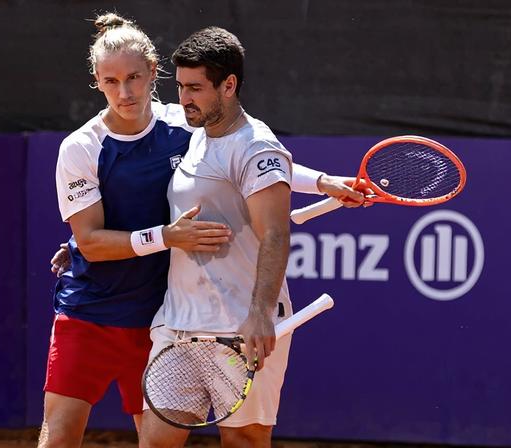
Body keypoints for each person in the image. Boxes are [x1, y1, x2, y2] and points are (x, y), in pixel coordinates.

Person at [39, 14, 366, 448]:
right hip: (143, 318)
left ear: (153, 73)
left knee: (242, 439)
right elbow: (94, 238)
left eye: (135, 77)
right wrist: (152, 238)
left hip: (194, 316)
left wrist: (322, 182)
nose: (125, 92)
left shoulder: (193, 127)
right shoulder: (101, 144)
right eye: (111, 81)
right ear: (97, 81)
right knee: (117, 440)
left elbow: (263, 165)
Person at [138, 27, 309, 448]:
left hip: (239, 327)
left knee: (246, 441)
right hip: (179, 325)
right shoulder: (196, 135)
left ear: (228, 85)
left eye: (195, 88)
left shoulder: (255, 147)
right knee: (155, 442)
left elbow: (275, 233)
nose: (184, 99)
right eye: (180, 87)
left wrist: (260, 312)